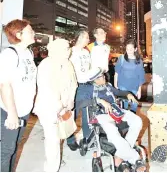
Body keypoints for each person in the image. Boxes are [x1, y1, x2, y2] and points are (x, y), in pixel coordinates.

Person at [77, 71, 146, 172]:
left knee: (137, 121)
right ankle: (135, 158)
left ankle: (119, 156)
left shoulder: (108, 86)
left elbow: (118, 93)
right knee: (113, 132)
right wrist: (99, 101)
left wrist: (128, 94)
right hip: (101, 115)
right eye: (101, 77)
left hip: (116, 111)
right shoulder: (88, 89)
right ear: (94, 80)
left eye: (103, 75)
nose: (104, 77)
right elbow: (79, 104)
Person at [33, 39, 77, 172]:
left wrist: (70, 100)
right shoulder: (46, 65)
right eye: (65, 48)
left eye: (68, 48)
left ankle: (55, 161)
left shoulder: (68, 63)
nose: (68, 50)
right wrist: (59, 105)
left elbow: (74, 83)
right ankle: (51, 168)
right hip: (49, 108)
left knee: (59, 136)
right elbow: (46, 87)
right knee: (52, 140)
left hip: (65, 106)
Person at [0, 19, 37, 172]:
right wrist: (12, 114)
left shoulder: (28, 53)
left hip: (24, 110)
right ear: (19, 34)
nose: (33, 33)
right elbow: (4, 85)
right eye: (30, 31)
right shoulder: (9, 54)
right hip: (10, 111)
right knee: (6, 150)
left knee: (15, 147)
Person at [66, 29, 101, 151]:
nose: (88, 39)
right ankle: (70, 139)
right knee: (72, 114)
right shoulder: (70, 52)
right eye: (86, 37)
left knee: (88, 113)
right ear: (80, 37)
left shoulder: (86, 52)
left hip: (88, 85)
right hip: (76, 87)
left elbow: (89, 68)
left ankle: (87, 139)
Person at [114, 39, 145, 112]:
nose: (128, 51)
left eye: (131, 49)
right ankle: (124, 123)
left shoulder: (139, 61)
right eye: (127, 49)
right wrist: (116, 85)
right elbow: (116, 72)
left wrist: (139, 90)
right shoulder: (121, 58)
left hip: (134, 88)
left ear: (135, 49)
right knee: (123, 109)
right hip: (122, 87)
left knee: (133, 108)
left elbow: (140, 76)